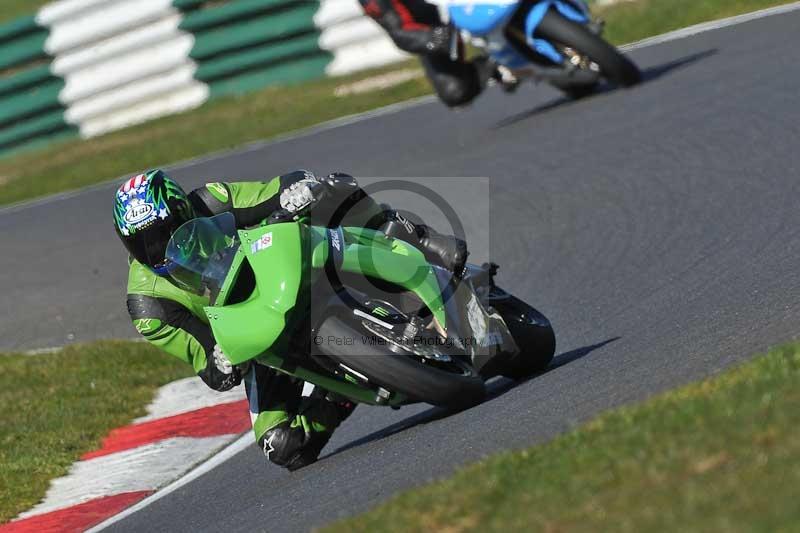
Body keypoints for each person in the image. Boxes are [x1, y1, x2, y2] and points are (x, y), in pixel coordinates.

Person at [114, 168, 467, 470]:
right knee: (283, 446)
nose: (158, 249)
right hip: (255, 334)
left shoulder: (212, 200)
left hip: (282, 266)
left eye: (164, 232)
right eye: (142, 244)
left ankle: (419, 240)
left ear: (183, 210)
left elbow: (272, 192)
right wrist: (219, 364)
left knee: (333, 188)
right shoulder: (149, 305)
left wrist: (296, 190)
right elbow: (204, 358)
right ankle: (339, 395)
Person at [359, 0, 516, 107]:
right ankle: (495, 63)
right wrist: (442, 37)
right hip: (439, 22)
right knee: (455, 91)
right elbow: (400, 32)